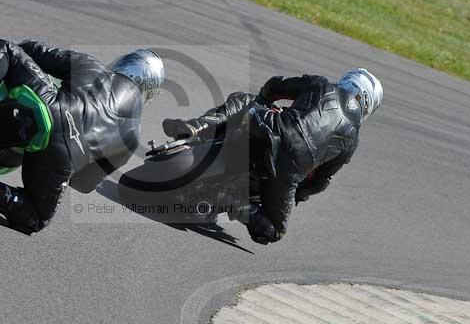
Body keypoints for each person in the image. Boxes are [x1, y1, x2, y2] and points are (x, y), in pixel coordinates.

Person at [0, 38, 164, 233]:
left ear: (123, 63)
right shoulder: (133, 135)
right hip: (66, 154)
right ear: (149, 92)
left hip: (50, 107)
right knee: (35, 219)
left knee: (5, 48)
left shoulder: (92, 65)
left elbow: (33, 50)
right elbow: (83, 184)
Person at [161, 69, 382, 245]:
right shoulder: (352, 141)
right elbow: (319, 182)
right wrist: (295, 195)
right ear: (368, 105)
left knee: (244, 99)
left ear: (347, 81)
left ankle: (196, 127)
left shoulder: (322, 84)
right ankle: (240, 204)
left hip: (266, 129)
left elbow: (277, 85)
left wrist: (264, 99)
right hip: (285, 173)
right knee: (272, 231)